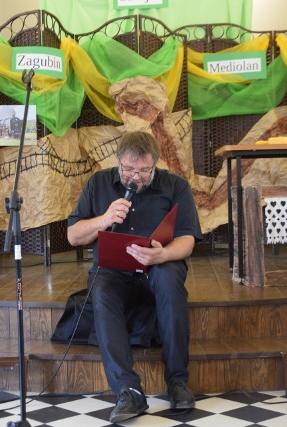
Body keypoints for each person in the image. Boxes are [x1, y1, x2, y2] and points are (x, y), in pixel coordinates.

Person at [67, 130, 203, 423]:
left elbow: (188, 239)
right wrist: (104, 219)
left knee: (169, 279)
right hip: (114, 271)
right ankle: (128, 391)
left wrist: (162, 255)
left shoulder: (175, 186)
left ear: (155, 164)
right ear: (118, 163)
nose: (135, 177)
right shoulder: (99, 182)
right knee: (101, 290)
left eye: (144, 170)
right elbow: (73, 236)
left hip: (159, 265)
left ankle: (178, 382)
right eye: (129, 170)